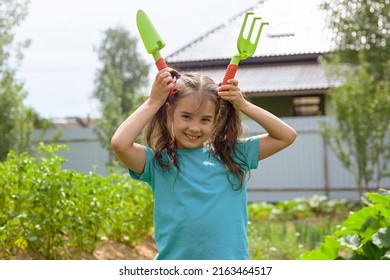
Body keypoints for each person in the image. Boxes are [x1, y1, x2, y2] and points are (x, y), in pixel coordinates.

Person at [111, 68, 297, 260]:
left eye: (205, 119)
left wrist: (243, 105)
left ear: (216, 120)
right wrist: (154, 101)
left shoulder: (233, 155)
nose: (194, 127)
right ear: (169, 112)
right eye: (186, 116)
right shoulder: (158, 163)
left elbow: (286, 136)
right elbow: (120, 144)